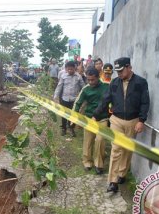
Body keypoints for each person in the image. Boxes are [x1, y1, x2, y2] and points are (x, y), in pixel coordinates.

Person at [93, 57, 150, 192]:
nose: (118, 73)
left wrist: (141, 120)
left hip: (133, 121)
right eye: (116, 71)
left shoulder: (141, 82)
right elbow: (105, 100)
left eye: (121, 70)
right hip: (116, 120)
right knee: (116, 148)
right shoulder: (114, 83)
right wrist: (96, 114)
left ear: (129, 67)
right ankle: (113, 181)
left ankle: (122, 174)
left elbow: (145, 102)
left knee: (127, 149)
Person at [73, 67, 109, 174]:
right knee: (88, 141)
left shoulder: (106, 87)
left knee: (100, 140)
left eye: (92, 79)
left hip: (103, 118)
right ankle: (87, 162)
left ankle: (99, 164)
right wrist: (73, 116)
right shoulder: (86, 89)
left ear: (98, 77)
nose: (90, 82)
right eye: (88, 79)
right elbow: (78, 103)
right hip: (88, 119)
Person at [54, 61, 85, 137]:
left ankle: (71, 128)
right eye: (68, 69)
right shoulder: (63, 76)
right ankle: (64, 128)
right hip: (64, 99)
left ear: (75, 68)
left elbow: (83, 87)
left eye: (72, 69)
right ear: (66, 69)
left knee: (73, 115)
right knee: (64, 114)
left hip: (74, 100)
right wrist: (56, 97)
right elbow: (59, 86)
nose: (70, 71)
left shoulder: (78, 77)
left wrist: (83, 97)